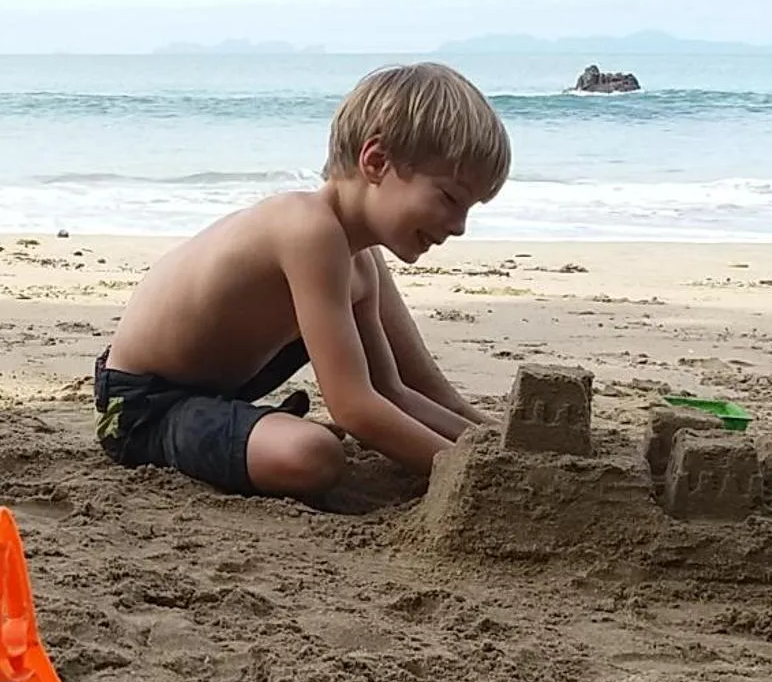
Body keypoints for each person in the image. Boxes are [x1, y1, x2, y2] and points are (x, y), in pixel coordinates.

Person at [93, 61, 508, 500]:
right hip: (142, 405)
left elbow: (392, 390)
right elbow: (354, 409)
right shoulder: (308, 230)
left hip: (218, 389)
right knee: (313, 455)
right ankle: (245, 431)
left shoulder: (360, 260)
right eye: (449, 198)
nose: (459, 226)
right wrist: (475, 480)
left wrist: (495, 447)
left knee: (323, 437)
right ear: (376, 161)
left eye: (470, 209)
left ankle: (250, 427)